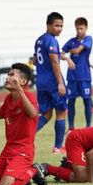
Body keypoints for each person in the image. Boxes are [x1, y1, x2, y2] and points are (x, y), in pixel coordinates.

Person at [0, 63, 47, 185]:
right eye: (8, 75)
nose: (7, 78)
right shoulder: (9, 98)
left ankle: (32, 170)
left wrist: (20, 90)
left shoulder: (29, 97)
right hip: (7, 151)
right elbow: (0, 114)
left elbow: (33, 113)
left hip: (23, 152)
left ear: (23, 81)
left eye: (11, 75)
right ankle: (19, 178)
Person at [34, 12, 67, 153]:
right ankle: (58, 147)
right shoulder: (52, 41)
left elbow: (35, 60)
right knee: (61, 112)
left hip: (41, 83)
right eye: (56, 25)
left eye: (61, 26)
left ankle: (27, 137)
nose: (59, 29)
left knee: (46, 114)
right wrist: (60, 83)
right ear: (48, 25)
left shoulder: (39, 40)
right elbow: (55, 62)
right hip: (53, 83)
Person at [61, 17, 93, 130]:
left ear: (86, 28)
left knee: (87, 101)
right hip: (72, 77)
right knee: (71, 102)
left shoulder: (88, 39)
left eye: (81, 28)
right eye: (77, 28)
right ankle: (71, 127)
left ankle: (88, 126)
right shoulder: (71, 41)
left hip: (84, 76)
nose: (79, 31)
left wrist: (69, 51)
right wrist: (67, 59)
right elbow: (60, 54)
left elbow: (78, 50)